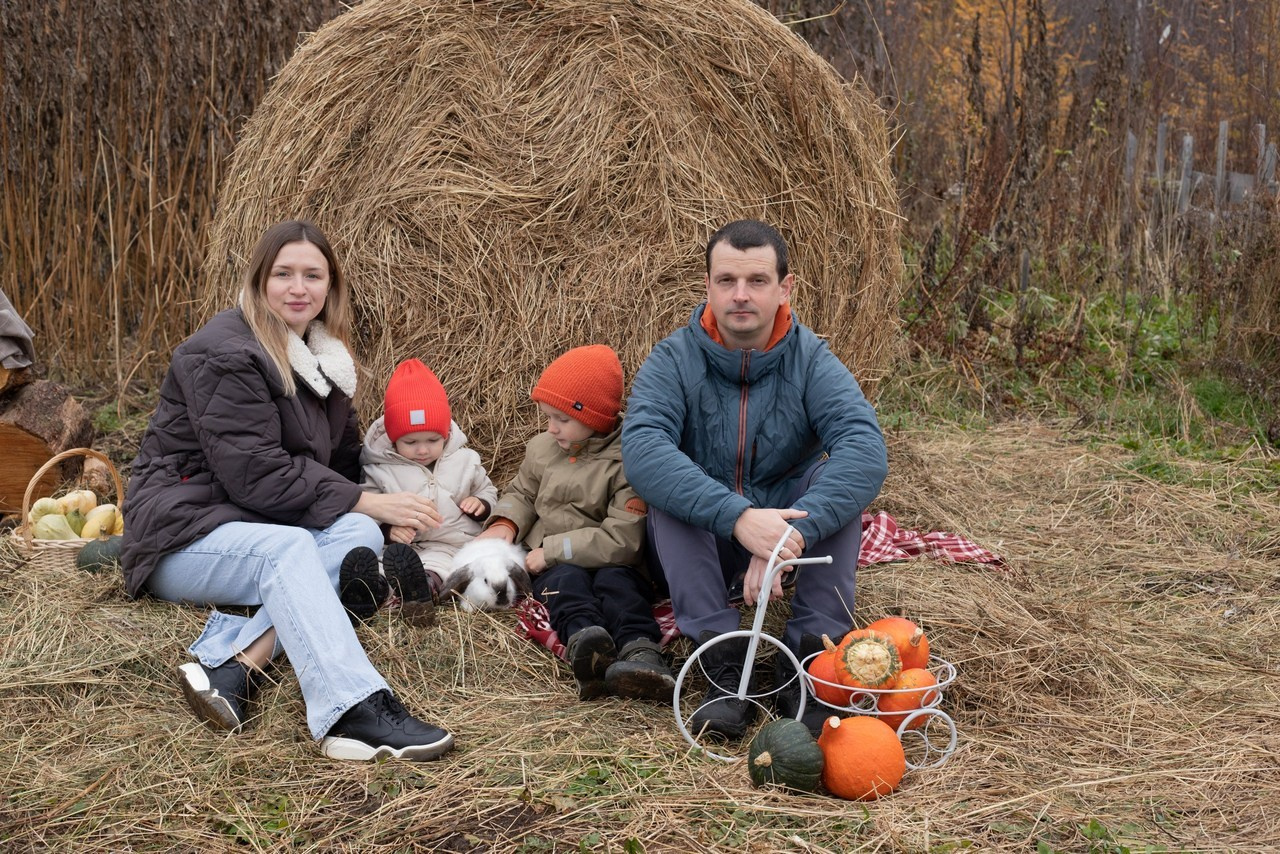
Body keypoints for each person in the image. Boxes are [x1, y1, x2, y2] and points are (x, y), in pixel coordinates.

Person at [121, 219, 455, 762]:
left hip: (249, 524)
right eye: (283, 274)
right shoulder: (222, 352)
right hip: (180, 535)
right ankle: (349, 712)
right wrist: (368, 499)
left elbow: (341, 464)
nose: (298, 288)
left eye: (313, 275)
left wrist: (382, 507)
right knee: (294, 547)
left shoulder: (324, 360)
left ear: (330, 286)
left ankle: (237, 663)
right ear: (259, 280)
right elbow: (257, 475)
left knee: (358, 532)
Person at [622, 219, 888, 738]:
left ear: (785, 288)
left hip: (789, 539)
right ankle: (721, 666)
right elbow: (644, 449)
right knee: (671, 489)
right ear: (708, 285)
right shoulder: (673, 358)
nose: (740, 295)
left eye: (757, 281)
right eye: (727, 280)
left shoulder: (811, 359)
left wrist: (789, 535)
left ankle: (810, 662)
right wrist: (738, 518)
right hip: (703, 544)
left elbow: (864, 448)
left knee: (837, 481)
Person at [476, 346, 674, 702]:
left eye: (561, 419)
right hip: (557, 565)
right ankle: (588, 647)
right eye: (548, 417)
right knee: (566, 586)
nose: (551, 428)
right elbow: (522, 492)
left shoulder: (627, 461)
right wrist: (506, 522)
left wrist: (551, 550)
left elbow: (623, 539)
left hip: (612, 561)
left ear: (595, 417)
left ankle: (641, 653)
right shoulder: (542, 448)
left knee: (620, 589)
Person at [339, 357, 498, 622]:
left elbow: (489, 491)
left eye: (432, 440)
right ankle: (370, 591)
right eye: (411, 442)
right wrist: (387, 530)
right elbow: (367, 509)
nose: (423, 450)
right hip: (398, 550)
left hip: (448, 543)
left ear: (445, 433)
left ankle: (421, 590)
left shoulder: (465, 460)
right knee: (381, 565)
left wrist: (481, 504)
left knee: (442, 568)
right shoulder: (380, 468)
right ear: (393, 439)